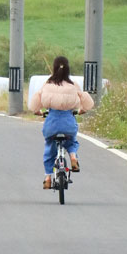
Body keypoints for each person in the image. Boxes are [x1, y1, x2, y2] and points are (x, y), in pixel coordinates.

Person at [28, 56, 94, 189]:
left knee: (49, 148)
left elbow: (36, 101)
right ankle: (73, 157)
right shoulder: (73, 84)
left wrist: (38, 112)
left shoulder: (48, 84)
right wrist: (82, 110)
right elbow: (86, 99)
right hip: (68, 121)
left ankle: (47, 178)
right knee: (72, 141)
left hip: (51, 122)